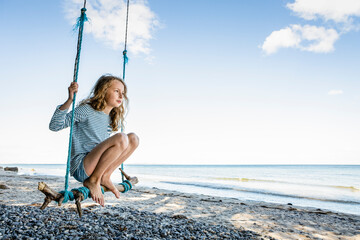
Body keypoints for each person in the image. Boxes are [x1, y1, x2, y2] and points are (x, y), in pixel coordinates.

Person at [49, 74, 139, 207]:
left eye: (123, 93)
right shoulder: (87, 110)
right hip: (82, 166)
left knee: (133, 139)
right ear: (103, 91)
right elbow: (55, 126)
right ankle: (94, 180)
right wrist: (69, 100)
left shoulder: (110, 118)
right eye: (116, 91)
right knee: (121, 138)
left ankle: (105, 176)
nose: (121, 96)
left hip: (96, 166)